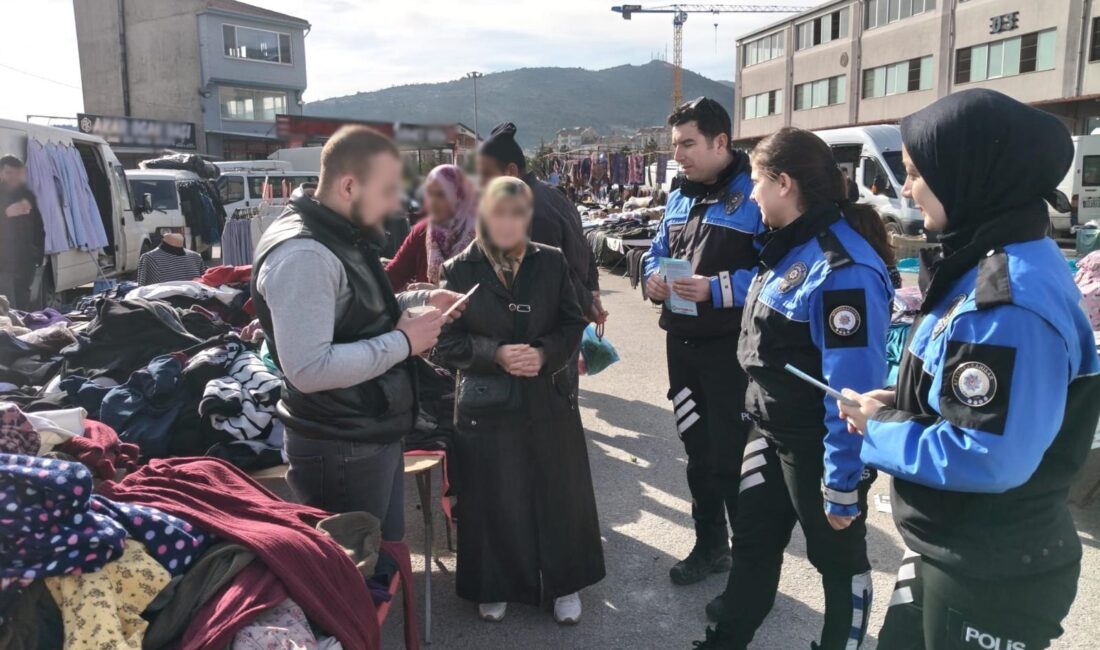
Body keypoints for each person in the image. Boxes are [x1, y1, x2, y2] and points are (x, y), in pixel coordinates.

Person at [839, 89, 1100, 650]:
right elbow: (959, 389)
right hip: (957, 549)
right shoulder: (987, 261)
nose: (905, 188)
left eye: (914, 173)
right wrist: (896, 398)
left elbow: (986, 455)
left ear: (968, 171)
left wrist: (878, 429)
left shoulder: (1004, 301)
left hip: (991, 568)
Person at [694, 127, 895, 650]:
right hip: (768, 430)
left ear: (784, 183)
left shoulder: (840, 267)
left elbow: (850, 392)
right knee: (755, 546)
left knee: (838, 562)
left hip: (819, 446)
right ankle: (724, 641)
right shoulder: (788, 246)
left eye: (756, 182)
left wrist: (842, 482)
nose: (751, 195)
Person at [252, 126, 465, 540]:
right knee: (355, 577)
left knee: (379, 560)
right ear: (349, 185)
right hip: (339, 444)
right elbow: (309, 369)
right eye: (387, 191)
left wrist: (416, 304)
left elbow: (354, 314)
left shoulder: (339, 234)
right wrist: (404, 342)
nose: (395, 205)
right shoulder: (305, 253)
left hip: (362, 430)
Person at [435, 176, 605, 625]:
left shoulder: (551, 261)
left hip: (548, 396)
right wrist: (495, 354)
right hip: (486, 405)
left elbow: (573, 323)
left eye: (517, 214)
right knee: (494, 496)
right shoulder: (457, 270)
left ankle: (565, 585)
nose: (508, 223)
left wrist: (545, 354)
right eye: (498, 213)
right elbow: (444, 343)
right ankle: (495, 584)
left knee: (559, 493)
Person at [641, 97, 762, 589]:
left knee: (736, 459)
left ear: (720, 142)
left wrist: (718, 288)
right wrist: (651, 279)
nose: (680, 155)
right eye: (675, 146)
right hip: (682, 347)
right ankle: (710, 546)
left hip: (731, 352)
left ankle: (750, 572)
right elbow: (656, 251)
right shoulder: (678, 195)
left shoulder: (758, 195)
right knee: (698, 454)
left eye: (688, 144)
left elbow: (781, 276)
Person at [477, 122, 608, 325]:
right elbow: (584, 246)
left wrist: (587, 299)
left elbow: (555, 271)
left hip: (548, 329)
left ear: (510, 171)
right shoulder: (553, 194)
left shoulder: (528, 214)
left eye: (486, 175)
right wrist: (592, 291)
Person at [385, 164, 477, 290]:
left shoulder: (482, 234)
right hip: (432, 309)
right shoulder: (422, 231)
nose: (432, 201)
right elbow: (394, 276)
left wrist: (440, 290)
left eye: (441, 195)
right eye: (429, 193)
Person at [0, 155, 45, 309]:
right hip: (4, 263)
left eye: (16, 173)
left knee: (23, 304)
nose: (12, 177)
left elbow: (39, 227)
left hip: (26, 260)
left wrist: (38, 253)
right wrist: (5, 214)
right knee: (7, 304)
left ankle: (21, 331)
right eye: (8, 173)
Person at [136, 232, 206, 286]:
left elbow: (204, 286)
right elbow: (141, 289)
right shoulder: (149, 258)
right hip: (162, 303)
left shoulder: (196, 257)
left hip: (194, 302)